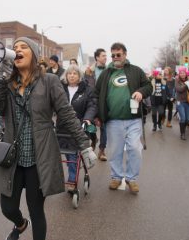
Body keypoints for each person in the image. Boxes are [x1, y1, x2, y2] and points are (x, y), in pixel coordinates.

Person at [0, 37, 90, 240]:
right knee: (7, 208)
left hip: (38, 158)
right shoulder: (6, 82)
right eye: (14, 48)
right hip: (12, 158)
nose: (17, 50)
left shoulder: (49, 81)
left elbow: (66, 114)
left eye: (23, 47)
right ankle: (20, 224)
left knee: (36, 210)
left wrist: (85, 144)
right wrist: (0, 77)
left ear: (34, 54)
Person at [95, 42, 152, 194]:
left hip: (134, 119)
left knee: (135, 148)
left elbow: (148, 86)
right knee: (115, 150)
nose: (115, 58)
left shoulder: (135, 71)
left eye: (118, 55)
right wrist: (97, 114)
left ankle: (131, 179)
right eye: (112, 55)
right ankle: (116, 177)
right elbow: (96, 93)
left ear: (125, 54)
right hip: (113, 120)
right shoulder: (106, 74)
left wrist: (141, 92)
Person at [57, 65, 97, 192]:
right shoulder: (59, 88)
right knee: (68, 156)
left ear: (79, 76)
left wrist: (87, 118)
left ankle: (72, 181)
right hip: (62, 127)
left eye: (75, 73)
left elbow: (92, 106)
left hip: (79, 126)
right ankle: (72, 175)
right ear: (66, 76)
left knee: (73, 156)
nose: (72, 75)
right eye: (69, 73)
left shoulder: (87, 90)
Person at [93, 48, 108, 161]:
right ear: (97, 57)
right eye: (103, 56)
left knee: (104, 128)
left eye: (106, 56)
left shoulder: (109, 70)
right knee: (90, 127)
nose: (105, 57)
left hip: (105, 102)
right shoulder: (89, 71)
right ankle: (93, 140)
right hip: (93, 101)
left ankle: (102, 150)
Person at [175, 67, 189, 140]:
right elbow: (179, 89)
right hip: (180, 102)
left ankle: (184, 129)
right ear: (179, 74)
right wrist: (186, 85)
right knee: (183, 118)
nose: (182, 74)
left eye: (184, 73)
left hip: (188, 102)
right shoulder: (177, 81)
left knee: (188, 119)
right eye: (181, 73)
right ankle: (182, 133)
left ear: (186, 74)